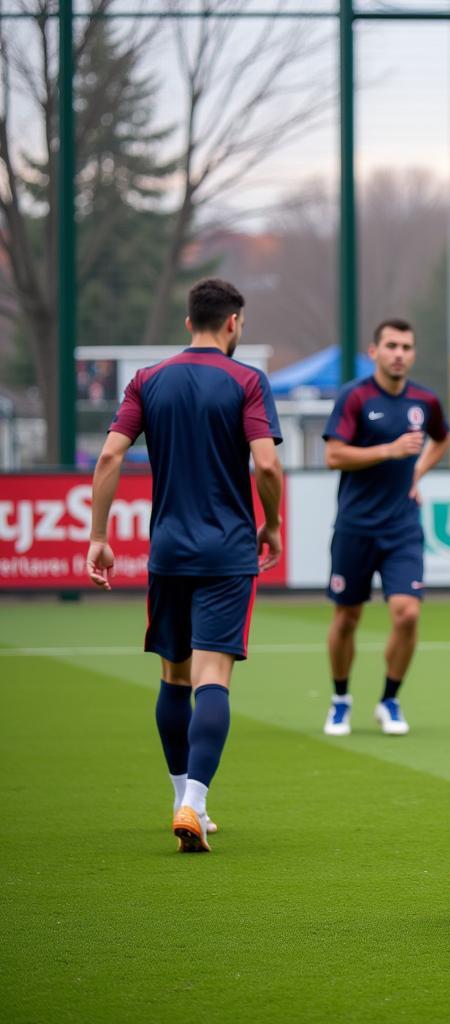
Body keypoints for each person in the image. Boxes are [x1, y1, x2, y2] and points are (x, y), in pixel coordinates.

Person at [85, 278, 283, 853]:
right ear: (232, 324)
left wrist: (98, 536)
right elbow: (267, 466)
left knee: (173, 676)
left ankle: (180, 798)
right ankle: (194, 803)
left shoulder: (148, 380)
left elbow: (109, 456)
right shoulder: (247, 380)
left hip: (168, 550)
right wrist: (270, 523)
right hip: (227, 552)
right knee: (212, 678)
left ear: (188, 322)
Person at [321, 318, 450, 737]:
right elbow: (334, 455)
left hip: (402, 527)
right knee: (347, 617)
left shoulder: (425, 400)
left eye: (406, 347)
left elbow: (442, 439)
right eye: (391, 345)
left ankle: (389, 699)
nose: (399, 353)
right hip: (355, 526)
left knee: (407, 613)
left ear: (413, 354)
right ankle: (341, 700)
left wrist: (417, 474)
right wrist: (390, 450)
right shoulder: (355, 397)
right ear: (374, 351)